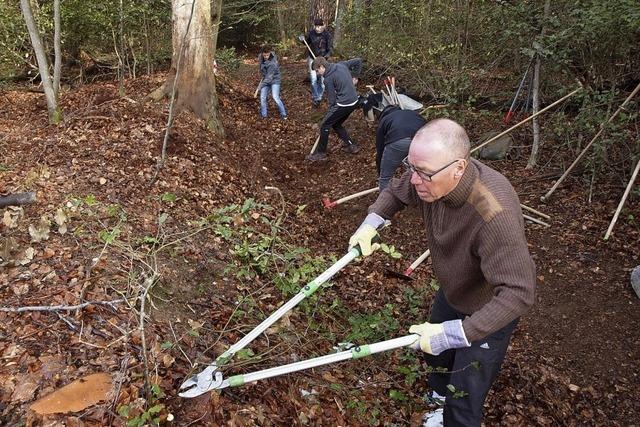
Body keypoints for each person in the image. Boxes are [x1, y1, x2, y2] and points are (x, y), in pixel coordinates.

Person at [348, 118, 536, 426]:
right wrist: (371, 223)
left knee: (464, 394)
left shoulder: (492, 215)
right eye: (412, 167)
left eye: (423, 174)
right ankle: (438, 397)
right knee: (434, 353)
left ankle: (453, 415)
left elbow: (520, 292)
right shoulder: (430, 178)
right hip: (454, 290)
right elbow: (395, 192)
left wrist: (458, 333)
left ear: (459, 168)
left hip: (490, 308)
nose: (414, 180)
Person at [362, 93, 426, 189]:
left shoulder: (385, 120)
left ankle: (385, 202)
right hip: (422, 139)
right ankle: (419, 195)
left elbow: (381, 150)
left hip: (399, 141)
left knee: (386, 178)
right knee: (419, 172)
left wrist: (381, 172)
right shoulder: (412, 113)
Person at [306, 56, 362, 161]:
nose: (318, 73)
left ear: (322, 66)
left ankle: (321, 153)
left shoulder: (327, 79)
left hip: (344, 104)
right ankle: (351, 146)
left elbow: (332, 100)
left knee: (324, 125)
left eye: (318, 71)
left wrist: (329, 114)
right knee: (336, 124)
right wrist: (355, 76)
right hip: (355, 101)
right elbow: (358, 61)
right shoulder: (341, 64)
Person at [298, 18, 333, 107]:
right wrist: (302, 39)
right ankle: (316, 98)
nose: (317, 28)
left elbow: (330, 49)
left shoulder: (327, 35)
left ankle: (319, 96)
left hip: (323, 60)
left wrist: (324, 59)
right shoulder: (311, 33)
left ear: (323, 26)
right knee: (313, 80)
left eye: (319, 26)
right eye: (316, 26)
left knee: (322, 81)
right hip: (312, 59)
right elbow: (306, 42)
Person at [257, 44, 287, 120]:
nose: (266, 57)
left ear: (270, 52)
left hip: (274, 80)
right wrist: (263, 73)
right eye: (264, 55)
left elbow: (269, 78)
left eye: (267, 55)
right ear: (262, 53)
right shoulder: (260, 57)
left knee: (275, 97)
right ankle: (264, 115)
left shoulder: (273, 63)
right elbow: (261, 66)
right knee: (262, 97)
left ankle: (283, 114)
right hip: (266, 79)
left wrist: (260, 87)